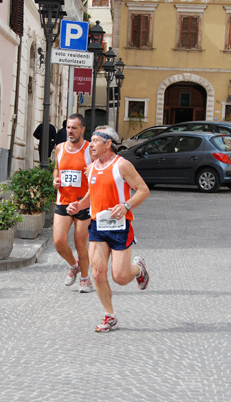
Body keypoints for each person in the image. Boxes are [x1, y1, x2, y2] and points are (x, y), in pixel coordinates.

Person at [67, 125, 150, 333]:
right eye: (91, 140)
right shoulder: (91, 167)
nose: (91, 144)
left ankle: (138, 268)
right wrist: (78, 205)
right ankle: (110, 315)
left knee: (120, 278)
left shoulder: (122, 165)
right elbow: (90, 197)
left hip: (121, 227)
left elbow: (143, 190)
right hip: (97, 227)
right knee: (98, 274)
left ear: (108, 144)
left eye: (95, 141)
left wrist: (126, 206)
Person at [52, 114, 93, 293]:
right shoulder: (60, 148)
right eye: (68, 127)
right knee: (59, 242)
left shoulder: (90, 149)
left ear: (82, 129)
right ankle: (73, 265)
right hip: (63, 200)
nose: (70, 131)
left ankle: (85, 279)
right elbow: (56, 169)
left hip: (83, 203)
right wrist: (55, 180)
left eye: (74, 128)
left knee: (80, 243)